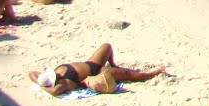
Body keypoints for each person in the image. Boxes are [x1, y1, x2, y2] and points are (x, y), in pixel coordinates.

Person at [28, 43, 164, 97]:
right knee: (127, 74)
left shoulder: (53, 73)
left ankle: (113, 63)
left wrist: (40, 83)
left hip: (90, 63)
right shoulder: (64, 83)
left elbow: (31, 73)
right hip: (96, 73)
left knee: (106, 46)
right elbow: (54, 92)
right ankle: (152, 74)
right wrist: (46, 87)